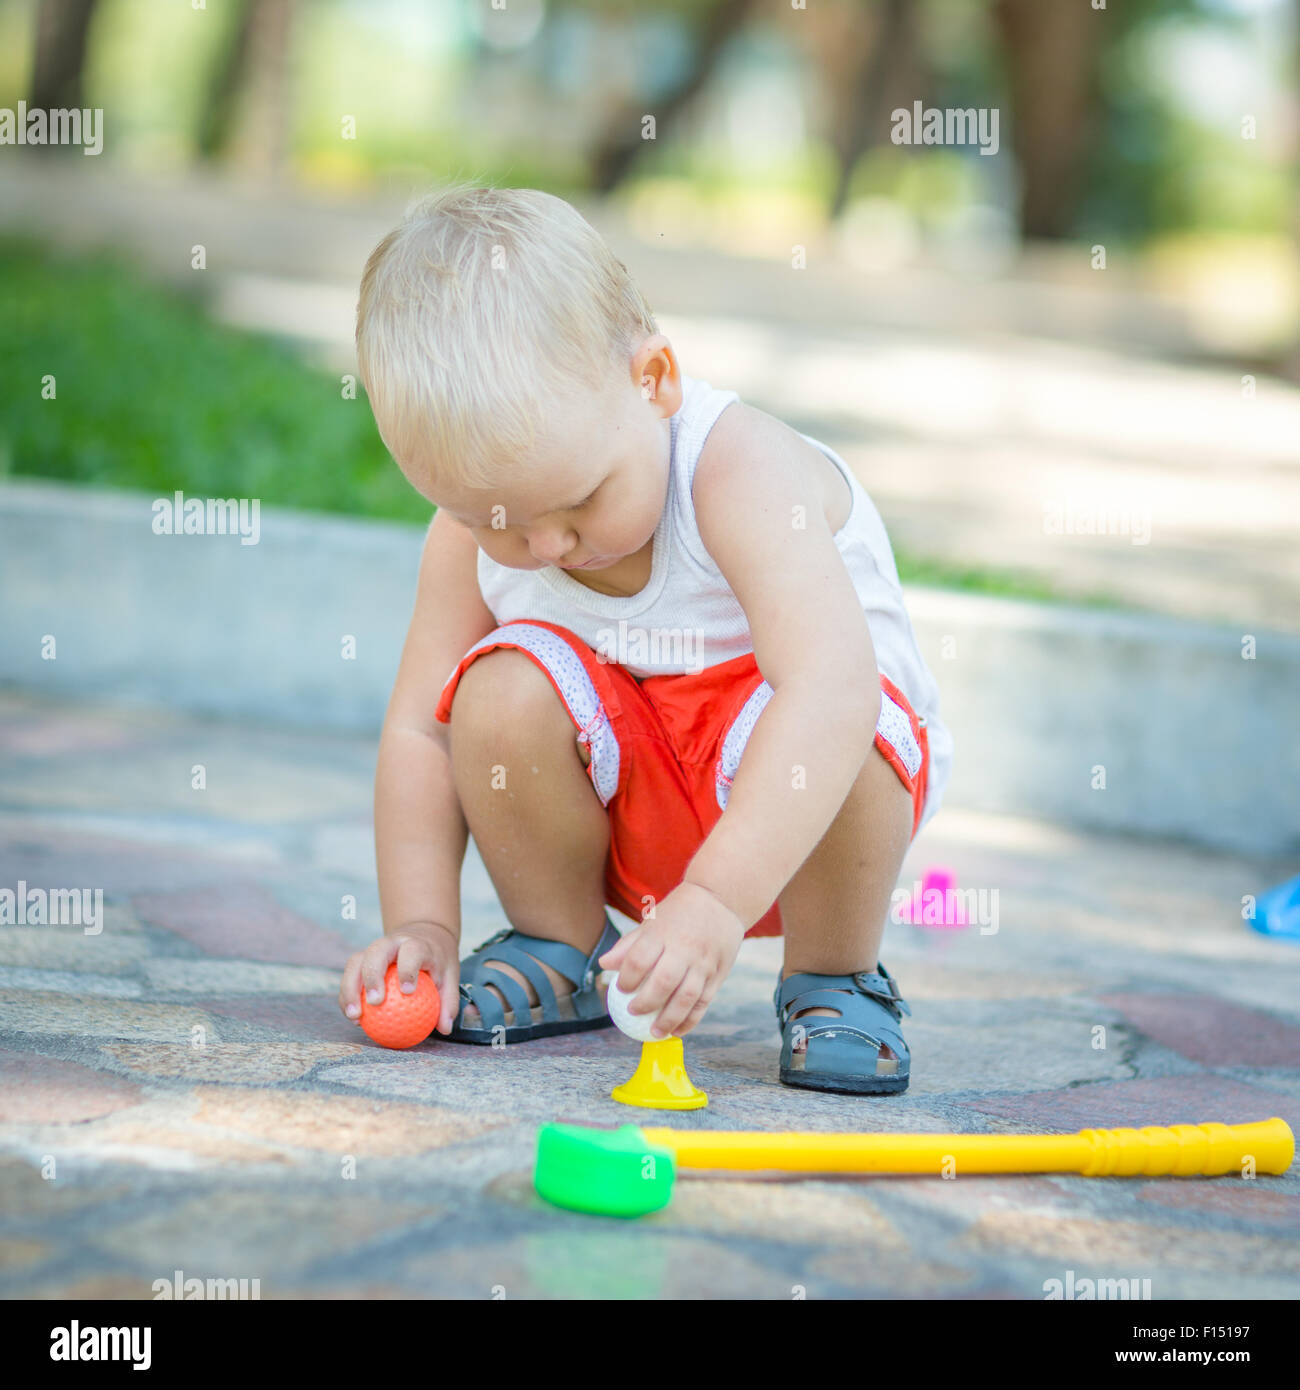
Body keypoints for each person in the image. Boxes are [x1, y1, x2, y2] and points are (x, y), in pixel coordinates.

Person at [337, 184, 952, 1094]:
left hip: (807, 805)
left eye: (580, 500)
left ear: (653, 381)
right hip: (628, 796)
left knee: (849, 727)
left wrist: (713, 902)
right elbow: (419, 735)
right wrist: (422, 926)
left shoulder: (740, 472)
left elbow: (830, 691)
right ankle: (560, 943)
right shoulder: (469, 538)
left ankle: (835, 975)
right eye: (496, 519)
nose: (542, 547)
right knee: (491, 690)